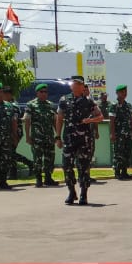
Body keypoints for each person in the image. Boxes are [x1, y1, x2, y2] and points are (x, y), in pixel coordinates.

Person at [56, 75, 102, 205]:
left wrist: (90, 120)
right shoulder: (64, 100)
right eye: (73, 83)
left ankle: (83, 194)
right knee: (66, 166)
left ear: (82, 87)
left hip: (84, 140)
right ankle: (71, 192)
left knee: (84, 167)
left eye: (78, 84)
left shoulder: (88, 102)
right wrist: (57, 137)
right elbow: (59, 119)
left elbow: (100, 116)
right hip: (69, 139)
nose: (74, 85)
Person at [23, 83, 59, 186]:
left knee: (50, 158)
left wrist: (58, 135)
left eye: (46, 92)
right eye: (41, 92)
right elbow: (27, 121)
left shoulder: (50, 105)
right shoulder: (31, 105)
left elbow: (54, 121)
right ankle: (38, 179)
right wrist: (28, 136)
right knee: (37, 159)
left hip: (49, 137)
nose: (44, 94)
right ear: (37, 93)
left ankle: (48, 178)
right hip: (37, 138)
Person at [108, 83, 132, 180]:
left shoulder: (128, 106)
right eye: (122, 92)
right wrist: (112, 133)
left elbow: (131, 120)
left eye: (125, 92)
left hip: (128, 134)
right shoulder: (114, 106)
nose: (124, 93)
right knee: (118, 153)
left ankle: (124, 171)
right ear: (117, 93)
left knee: (127, 152)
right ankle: (117, 172)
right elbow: (111, 121)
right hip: (118, 134)